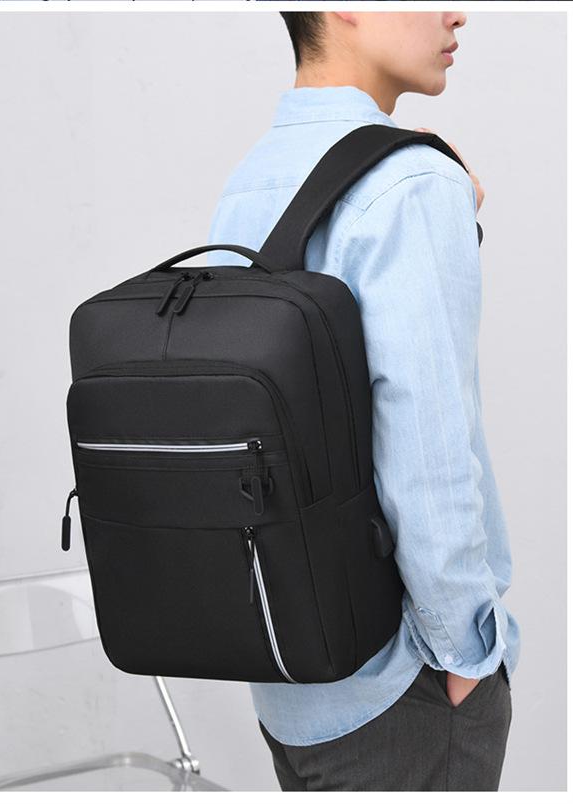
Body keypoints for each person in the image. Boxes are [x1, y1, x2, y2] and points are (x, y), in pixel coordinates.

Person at [206, 11, 519, 792]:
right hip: (399, 687)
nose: (457, 12)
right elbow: (426, 450)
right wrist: (467, 657)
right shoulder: (412, 183)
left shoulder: (254, 174)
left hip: (292, 678)